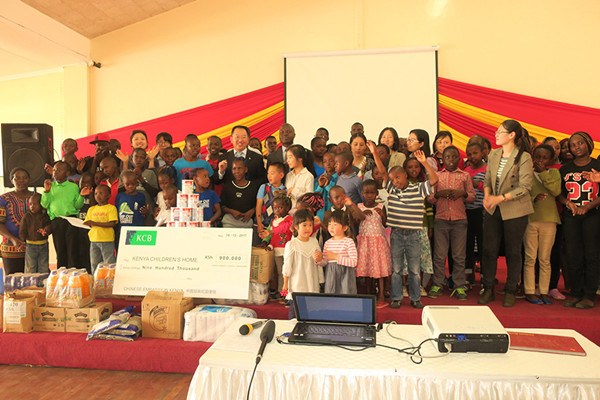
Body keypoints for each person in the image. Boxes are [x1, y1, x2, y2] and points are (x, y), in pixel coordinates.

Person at [479, 119, 533, 308]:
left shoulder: (524, 157)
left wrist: (499, 198)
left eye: (500, 132)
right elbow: (486, 180)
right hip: (493, 207)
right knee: (488, 250)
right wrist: (487, 197)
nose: (496, 134)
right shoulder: (494, 154)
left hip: (515, 209)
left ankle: (511, 289)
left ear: (512, 135)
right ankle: (488, 288)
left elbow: (525, 187)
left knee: (513, 251)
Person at [377, 148, 438, 309]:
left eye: (397, 177)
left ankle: (415, 298)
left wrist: (425, 162)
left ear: (405, 175)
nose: (395, 181)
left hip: (414, 235)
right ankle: (396, 297)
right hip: (397, 233)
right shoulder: (392, 190)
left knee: (415, 269)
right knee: (396, 269)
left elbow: (434, 180)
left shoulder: (418, 188)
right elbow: (383, 172)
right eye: (392, 179)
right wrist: (374, 153)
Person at [427, 146, 476, 300]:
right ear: (443, 159)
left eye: (454, 157)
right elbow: (429, 198)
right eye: (448, 157)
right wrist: (438, 194)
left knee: (459, 255)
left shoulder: (465, 176)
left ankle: (459, 285)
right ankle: (437, 283)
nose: (451, 160)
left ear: (459, 159)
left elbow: (472, 197)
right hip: (441, 219)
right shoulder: (437, 176)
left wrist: (463, 193)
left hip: (459, 220)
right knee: (439, 255)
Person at [559, 132, 600, 309]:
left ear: (589, 144)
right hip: (572, 217)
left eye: (580, 143)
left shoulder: (597, 166)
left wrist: (588, 206)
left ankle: (589, 295)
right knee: (573, 254)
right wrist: (568, 203)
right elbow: (559, 194)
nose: (576, 147)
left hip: (593, 215)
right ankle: (576, 292)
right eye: (573, 145)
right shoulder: (565, 169)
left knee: (591, 254)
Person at [523, 144, 561, 305]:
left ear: (551, 160)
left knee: (545, 258)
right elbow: (522, 194)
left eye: (544, 157)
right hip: (530, 219)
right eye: (537, 157)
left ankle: (544, 291)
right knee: (530, 257)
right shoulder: (527, 174)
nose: (540, 160)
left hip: (549, 220)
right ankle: (530, 291)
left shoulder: (554, 173)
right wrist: (533, 199)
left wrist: (544, 173)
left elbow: (556, 191)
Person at [42, 161, 88, 268]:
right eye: (54, 170)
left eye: (59, 170)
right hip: (56, 221)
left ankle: (73, 272)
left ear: (67, 173)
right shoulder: (50, 186)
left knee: (72, 248)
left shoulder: (73, 187)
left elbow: (77, 206)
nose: (55, 172)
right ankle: (61, 272)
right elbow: (44, 204)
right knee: (60, 249)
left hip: (71, 220)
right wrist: (47, 191)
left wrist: (81, 196)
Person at [281, 209, 323, 318]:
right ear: (296, 227)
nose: (308, 228)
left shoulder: (314, 242)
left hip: (311, 283)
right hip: (297, 284)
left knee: (311, 313)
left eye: (310, 225)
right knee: (295, 313)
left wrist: (320, 258)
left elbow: (320, 262)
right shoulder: (292, 244)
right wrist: (285, 283)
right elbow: (287, 266)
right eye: (304, 225)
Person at [356, 179, 391, 305]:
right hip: (365, 243)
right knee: (367, 269)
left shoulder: (381, 206)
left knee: (379, 269)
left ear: (377, 194)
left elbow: (386, 224)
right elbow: (355, 223)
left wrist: (382, 215)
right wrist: (360, 214)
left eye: (372, 193)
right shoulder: (359, 207)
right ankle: (368, 293)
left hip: (377, 243)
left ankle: (381, 294)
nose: (369, 195)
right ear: (362, 193)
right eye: (366, 192)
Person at [0, 168, 34, 274]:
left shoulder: (37, 198)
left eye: (25, 178)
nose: (21, 181)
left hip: (35, 247)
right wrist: (12, 238)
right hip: (11, 248)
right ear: (12, 180)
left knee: (35, 282)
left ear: (29, 180)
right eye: (17, 178)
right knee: (13, 282)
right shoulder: (3, 199)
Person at [259, 194, 293, 294]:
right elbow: (273, 237)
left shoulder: (289, 219)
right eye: (275, 208)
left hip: (287, 251)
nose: (277, 210)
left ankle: (288, 292)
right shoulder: (274, 221)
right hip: (277, 251)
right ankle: (280, 291)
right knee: (279, 273)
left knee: (287, 273)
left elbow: (284, 229)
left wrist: (270, 232)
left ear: (287, 208)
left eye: (280, 207)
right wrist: (269, 244)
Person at [463, 142, 487, 285]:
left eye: (475, 153)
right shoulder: (465, 170)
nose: (472, 157)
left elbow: (493, 189)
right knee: (468, 245)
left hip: (482, 212)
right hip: (467, 211)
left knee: (484, 245)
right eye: (469, 154)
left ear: (483, 152)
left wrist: (477, 184)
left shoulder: (488, 169)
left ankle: (485, 276)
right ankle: (468, 275)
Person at [320, 210, 358, 295]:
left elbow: (354, 262)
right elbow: (325, 262)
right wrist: (319, 260)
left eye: (335, 224)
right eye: (329, 224)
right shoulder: (327, 243)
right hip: (331, 274)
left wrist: (336, 257)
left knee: (346, 297)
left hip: (346, 275)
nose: (331, 227)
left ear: (344, 227)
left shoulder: (349, 242)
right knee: (331, 297)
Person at [83, 184, 118, 273]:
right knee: (94, 263)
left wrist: (94, 223)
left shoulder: (111, 208)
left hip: (107, 240)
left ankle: (111, 280)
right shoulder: (91, 209)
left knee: (109, 262)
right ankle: (97, 282)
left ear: (108, 195)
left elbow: (111, 223)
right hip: (94, 240)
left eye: (101, 193)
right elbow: (88, 223)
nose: (98, 195)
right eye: (95, 193)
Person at [220, 158, 260, 228]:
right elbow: (222, 206)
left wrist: (252, 211)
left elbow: (258, 204)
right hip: (229, 222)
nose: (237, 171)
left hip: (246, 222)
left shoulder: (253, 186)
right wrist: (231, 211)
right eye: (234, 168)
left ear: (246, 169)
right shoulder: (228, 186)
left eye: (240, 168)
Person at [19, 193, 51, 274]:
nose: (32, 206)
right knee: (30, 267)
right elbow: (22, 230)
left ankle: (42, 284)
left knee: (43, 266)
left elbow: (50, 225)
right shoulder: (27, 216)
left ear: (41, 204)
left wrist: (46, 230)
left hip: (43, 245)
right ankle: (30, 284)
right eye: (30, 204)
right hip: (30, 246)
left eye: (35, 204)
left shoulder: (45, 216)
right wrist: (22, 241)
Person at [255, 162, 286, 233]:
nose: (269, 176)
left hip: (275, 227)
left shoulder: (284, 191)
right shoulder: (264, 187)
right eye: (268, 173)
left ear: (281, 175)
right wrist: (259, 223)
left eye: (272, 173)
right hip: (261, 224)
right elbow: (258, 206)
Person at [314, 151, 338, 222]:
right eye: (325, 161)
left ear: (336, 162)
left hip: (334, 214)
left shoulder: (339, 178)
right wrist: (320, 186)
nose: (328, 164)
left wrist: (327, 186)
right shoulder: (318, 179)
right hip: (320, 214)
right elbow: (314, 197)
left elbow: (337, 195)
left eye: (331, 161)